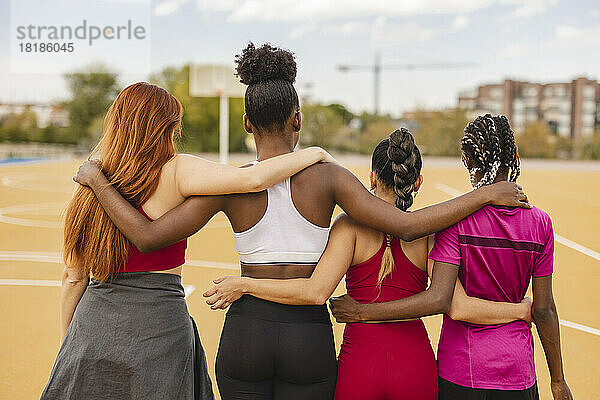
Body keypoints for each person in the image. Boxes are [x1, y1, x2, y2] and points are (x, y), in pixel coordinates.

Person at [72, 44, 529, 400]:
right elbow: (408, 225)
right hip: (307, 336)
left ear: (247, 123)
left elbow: (149, 236)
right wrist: (484, 193)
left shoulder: (231, 184)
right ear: (298, 118)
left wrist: (98, 180)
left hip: (246, 331)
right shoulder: (328, 177)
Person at [41, 82, 336, 400]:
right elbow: (253, 178)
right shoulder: (177, 170)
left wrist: (69, 342)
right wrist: (315, 153)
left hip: (94, 326)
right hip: (161, 326)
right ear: (167, 127)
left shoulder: (87, 181)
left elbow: (73, 277)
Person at [204, 127, 533, 400]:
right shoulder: (431, 233)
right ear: (417, 182)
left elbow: (313, 291)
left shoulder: (348, 228)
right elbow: (452, 303)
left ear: (372, 177)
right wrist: (524, 310)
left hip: (361, 360)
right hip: (414, 362)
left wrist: (244, 283)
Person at [329, 115, 573, 400]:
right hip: (510, 368)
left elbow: (452, 305)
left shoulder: (452, 224)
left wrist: (360, 312)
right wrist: (557, 378)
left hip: (455, 368)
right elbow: (543, 310)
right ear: (417, 182)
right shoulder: (540, 223)